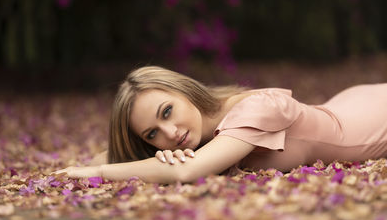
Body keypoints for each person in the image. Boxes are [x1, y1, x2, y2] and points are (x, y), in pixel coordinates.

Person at [54, 66, 387, 184]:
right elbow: (117, 155)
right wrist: (156, 157)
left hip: (376, 115)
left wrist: (90, 174)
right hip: (345, 102)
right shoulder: (197, 137)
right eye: (152, 133)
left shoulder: (257, 109)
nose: (169, 134)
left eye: (167, 111)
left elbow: (186, 173)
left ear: (184, 90)